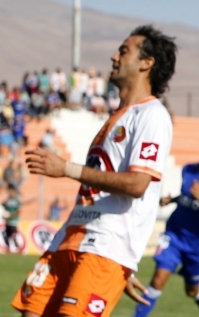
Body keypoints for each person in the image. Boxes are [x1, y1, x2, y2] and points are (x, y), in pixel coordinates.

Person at [11, 25, 177, 317]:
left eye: (124, 50)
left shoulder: (152, 115)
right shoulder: (119, 115)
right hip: (70, 237)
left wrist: (66, 169)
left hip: (104, 245)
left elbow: (138, 184)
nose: (113, 57)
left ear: (146, 63)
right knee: (30, 312)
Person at [131, 131, 199, 317]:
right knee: (158, 280)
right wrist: (172, 200)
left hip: (197, 246)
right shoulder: (188, 170)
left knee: (191, 290)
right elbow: (187, 196)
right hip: (174, 235)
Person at [2, 183, 22, 253]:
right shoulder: (8, 199)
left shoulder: (16, 199)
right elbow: (6, 209)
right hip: (8, 221)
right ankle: (8, 249)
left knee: (13, 236)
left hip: (13, 221)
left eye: (9, 190)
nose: (9, 192)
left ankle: (19, 248)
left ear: (13, 190)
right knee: (7, 236)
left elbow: (19, 211)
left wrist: (10, 216)